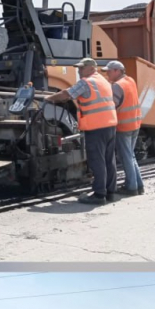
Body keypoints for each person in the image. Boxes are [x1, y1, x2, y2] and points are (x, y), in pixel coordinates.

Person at [44, 57, 118, 205]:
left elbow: (66, 94)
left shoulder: (86, 82)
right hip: (110, 125)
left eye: (81, 68)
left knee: (97, 161)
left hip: (96, 127)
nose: (78, 71)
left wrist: (49, 98)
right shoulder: (104, 81)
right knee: (109, 160)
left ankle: (99, 195)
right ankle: (110, 192)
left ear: (91, 68)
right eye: (78, 68)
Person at [103, 60, 145, 195]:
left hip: (124, 126)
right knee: (130, 156)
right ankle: (138, 185)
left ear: (117, 71)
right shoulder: (130, 80)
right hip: (135, 124)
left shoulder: (117, 86)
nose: (107, 74)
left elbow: (111, 105)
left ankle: (131, 187)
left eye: (109, 71)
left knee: (126, 156)